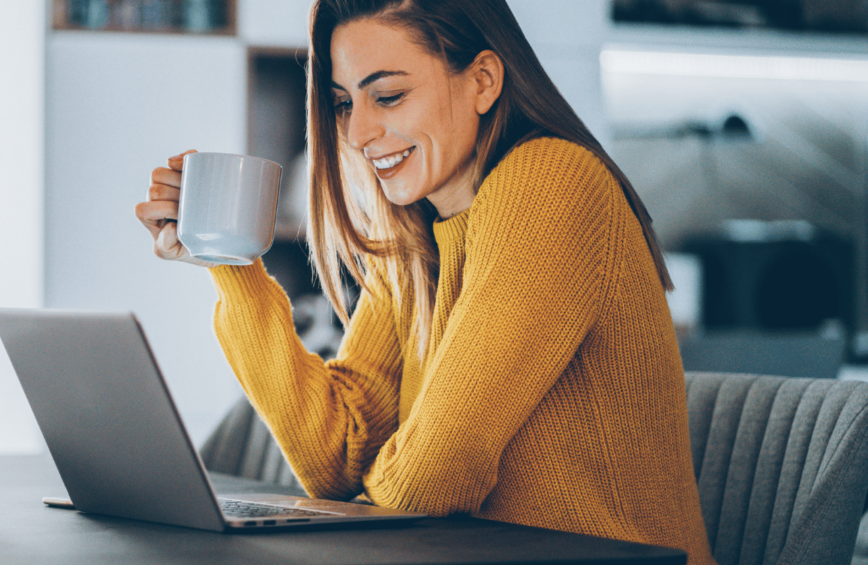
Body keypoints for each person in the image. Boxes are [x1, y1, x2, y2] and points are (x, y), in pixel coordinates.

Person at [135, 1, 714, 562]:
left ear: (483, 80)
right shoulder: (418, 237)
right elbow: (336, 458)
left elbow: (436, 475)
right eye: (342, 104)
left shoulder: (552, 183)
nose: (358, 132)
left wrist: (346, 516)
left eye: (388, 96)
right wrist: (231, 264)